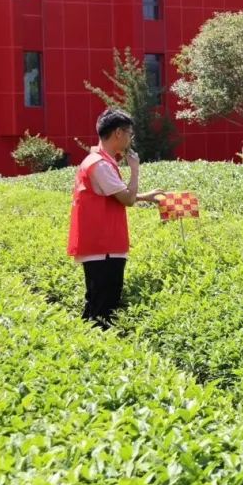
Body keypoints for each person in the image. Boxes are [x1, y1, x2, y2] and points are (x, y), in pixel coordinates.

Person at [66, 109, 164, 329]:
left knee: (96, 306)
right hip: (104, 247)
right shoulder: (100, 164)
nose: (130, 138)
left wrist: (145, 196)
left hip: (100, 247)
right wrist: (135, 170)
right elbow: (126, 199)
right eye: (129, 133)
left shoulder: (98, 161)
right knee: (104, 312)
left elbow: (114, 195)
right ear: (118, 133)